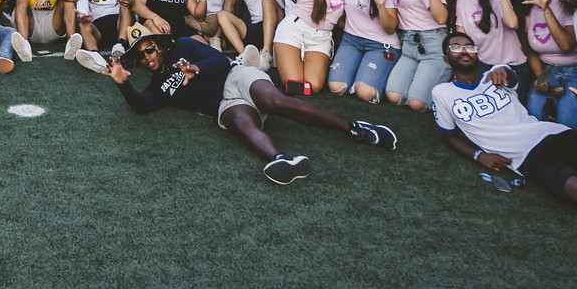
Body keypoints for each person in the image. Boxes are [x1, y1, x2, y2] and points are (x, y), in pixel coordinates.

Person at [108, 31, 398, 184]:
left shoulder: (184, 46)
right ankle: (281, 159)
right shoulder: (156, 87)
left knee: (278, 102)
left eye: (149, 50)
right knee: (243, 123)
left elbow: (220, 60)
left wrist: (195, 68)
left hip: (237, 76)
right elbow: (143, 107)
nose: (147, 58)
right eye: (140, 57)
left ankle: (355, 129)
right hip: (223, 104)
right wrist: (122, 84)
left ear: (157, 46)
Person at [433, 31, 577, 207]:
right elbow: (449, 136)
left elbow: (508, 75)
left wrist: (502, 71)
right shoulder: (442, 93)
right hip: (527, 159)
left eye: (470, 47)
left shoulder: (496, 72)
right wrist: (479, 155)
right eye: (456, 47)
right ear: (446, 59)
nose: (465, 50)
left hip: (552, 134)